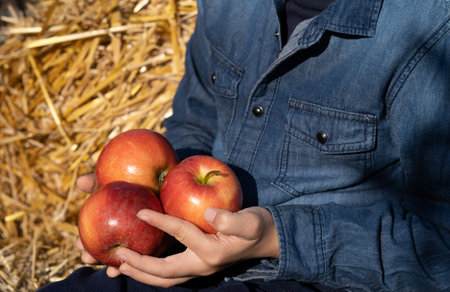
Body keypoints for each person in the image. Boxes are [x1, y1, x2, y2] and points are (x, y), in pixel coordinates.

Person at [38, 0, 450, 291]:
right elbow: (195, 118)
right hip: (186, 254)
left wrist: (275, 237)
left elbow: (441, 251)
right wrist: (146, 202)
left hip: (321, 279)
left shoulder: (432, 25)